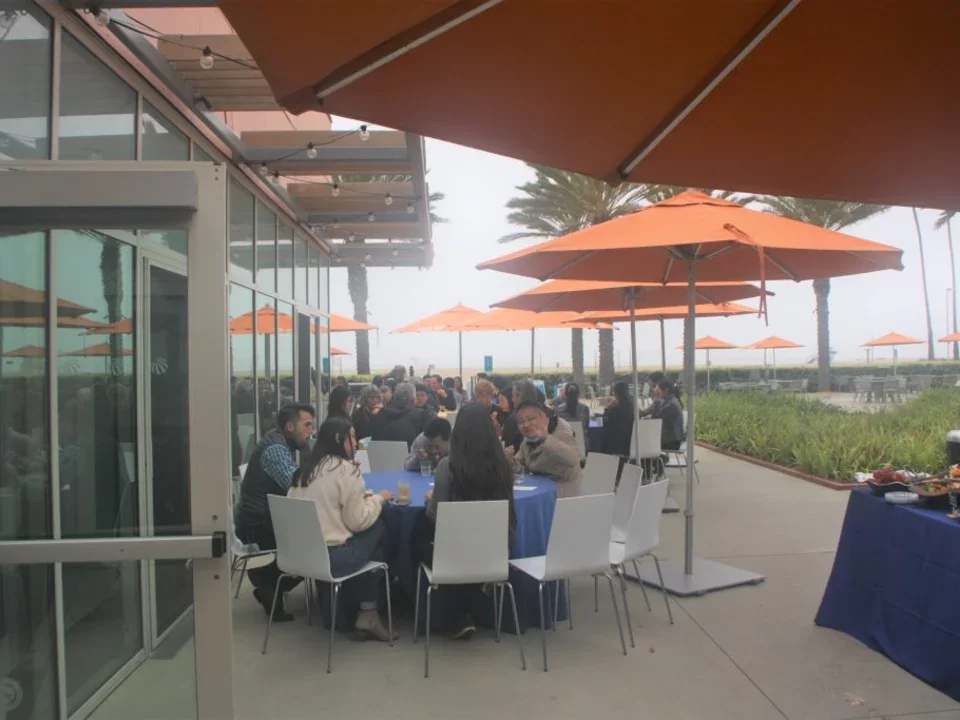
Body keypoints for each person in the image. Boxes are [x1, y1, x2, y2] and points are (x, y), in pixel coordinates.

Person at [289, 417, 396, 641]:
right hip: (333, 559)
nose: (356, 443)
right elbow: (358, 521)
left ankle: (361, 611)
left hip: (299, 556)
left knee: (369, 537)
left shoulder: (304, 470)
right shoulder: (345, 471)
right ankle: (370, 610)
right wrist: (377, 499)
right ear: (340, 440)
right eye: (353, 436)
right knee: (378, 528)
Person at [417, 403, 515, 638]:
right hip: (495, 552)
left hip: (454, 553)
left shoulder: (447, 467)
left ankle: (441, 613)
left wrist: (431, 501)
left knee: (417, 535)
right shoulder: (504, 468)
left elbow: (435, 515)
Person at [234, 403, 314, 621]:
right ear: (290, 426)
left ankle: (270, 585)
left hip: (262, 518)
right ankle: (269, 583)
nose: (311, 431)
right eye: (307, 425)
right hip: (257, 525)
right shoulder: (276, 449)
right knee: (318, 544)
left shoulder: (277, 440)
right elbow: (295, 486)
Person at [508, 401, 582, 497]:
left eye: (530, 419)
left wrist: (546, 438)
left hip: (562, 498)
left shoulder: (561, 434)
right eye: (521, 422)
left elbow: (574, 459)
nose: (526, 425)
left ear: (544, 418)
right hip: (538, 493)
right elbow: (519, 466)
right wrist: (508, 458)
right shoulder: (528, 440)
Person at [371, 382, 430, 447]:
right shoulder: (422, 416)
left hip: (379, 455)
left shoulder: (379, 414)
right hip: (409, 455)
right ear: (413, 400)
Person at [501, 380, 539, 452]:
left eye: (513, 396)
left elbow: (507, 445)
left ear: (519, 395)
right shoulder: (543, 414)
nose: (512, 400)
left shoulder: (515, 419)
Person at [602, 381, 635, 458]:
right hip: (632, 442)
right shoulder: (632, 406)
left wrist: (607, 409)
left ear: (616, 393)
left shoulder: (616, 409)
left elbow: (606, 424)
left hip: (618, 444)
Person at [557, 382, 590, 452]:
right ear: (578, 394)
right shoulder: (584, 408)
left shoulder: (559, 409)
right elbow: (587, 426)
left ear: (565, 394)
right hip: (582, 445)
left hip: (564, 445)